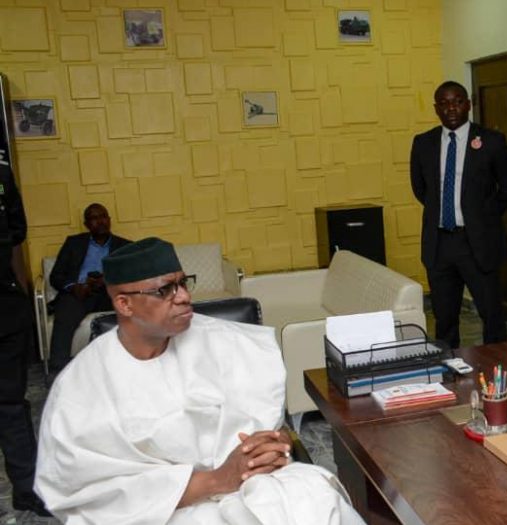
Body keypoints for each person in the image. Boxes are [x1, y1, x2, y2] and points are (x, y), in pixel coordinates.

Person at [35, 237, 364, 524]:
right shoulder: (83, 385)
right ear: (124, 304)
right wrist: (216, 480)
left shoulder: (224, 341)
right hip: (161, 511)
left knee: (317, 499)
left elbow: (269, 423)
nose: (183, 297)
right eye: (165, 290)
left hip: (254, 486)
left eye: (183, 283)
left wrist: (271, 446)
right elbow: (93, 493)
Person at [410, 80, 507, 350]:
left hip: (478, 242)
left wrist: (484, 216)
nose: (451, 108)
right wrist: (445, 211)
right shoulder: (423, 143)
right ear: (436, 108)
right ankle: (449, 370)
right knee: (444, 319)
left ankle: (497, 369)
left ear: (468, 105)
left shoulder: (491, 141)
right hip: (439, 243)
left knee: (491, 316)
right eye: (444, 103)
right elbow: (420, 189)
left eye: (457, 102)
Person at [0, 154, 51, 517]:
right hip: (6, 304)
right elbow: (16, 231)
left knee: (10, 406)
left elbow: (17, 232)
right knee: (10, 406)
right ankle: (27, 488)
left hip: (5, 310)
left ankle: (27, 488)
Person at [47, 203, 130, 374]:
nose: (100, 221)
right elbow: (56, 276)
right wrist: (74, 287)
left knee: (136, 306)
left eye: (103, 216)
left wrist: (108, 280)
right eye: (94, 218)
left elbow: (132, 275)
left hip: (110, 294)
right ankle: (59, 373)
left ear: (109, 220)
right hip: (80, 293)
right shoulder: (73, 243)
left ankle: (132, 364)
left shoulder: (124, 246)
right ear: (86, 224)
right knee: (65, 313)